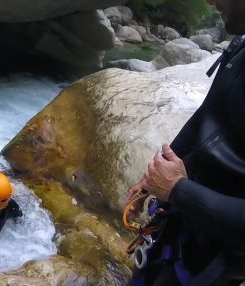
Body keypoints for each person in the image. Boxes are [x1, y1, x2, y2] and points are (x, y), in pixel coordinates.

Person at [125, 0, 245, 285]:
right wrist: (153, 178)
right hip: (184, 224)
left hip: (214, 258)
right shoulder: (241, 45)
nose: (209, 1)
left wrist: (178, 189)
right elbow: (208, 114)